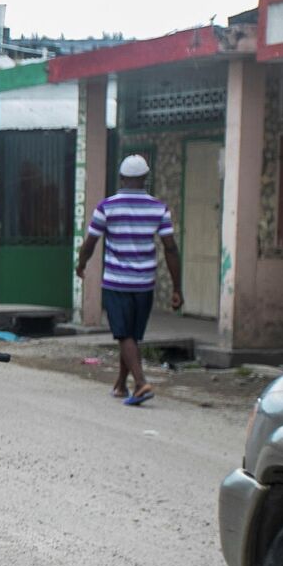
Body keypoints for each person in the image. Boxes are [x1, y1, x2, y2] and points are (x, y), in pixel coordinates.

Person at [75, 154, 181, 406]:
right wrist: (177, 288)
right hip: (145, 283)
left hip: (116, 282)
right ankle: (121, 385)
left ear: (122, 178)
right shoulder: (159, 207)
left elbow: (90, 243)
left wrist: (81, 265)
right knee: (131, 335)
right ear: (145, 178)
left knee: (124, 336)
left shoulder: (107, 206)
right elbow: (171, 248)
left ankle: (141, 383)